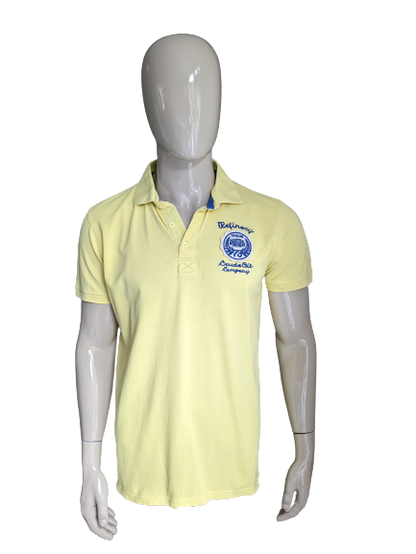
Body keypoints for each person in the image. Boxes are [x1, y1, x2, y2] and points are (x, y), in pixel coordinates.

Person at [73, 31, 318, 543]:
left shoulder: (274, 220)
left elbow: (295, 340)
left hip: (240, 483)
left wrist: (305, 447)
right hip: (139, 484)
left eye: (204, 89)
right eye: (170, 89)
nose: (191, 107)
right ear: (145, 103)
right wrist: (89, 466)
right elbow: (94, 341)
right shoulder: (104, 223)